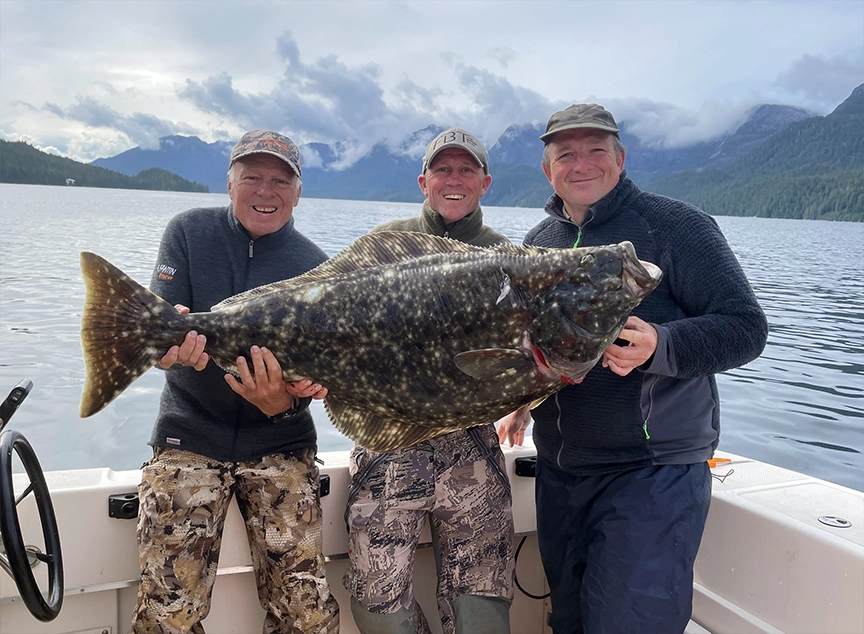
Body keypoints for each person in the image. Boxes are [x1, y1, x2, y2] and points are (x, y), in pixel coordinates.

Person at [497, 104, 768, 634]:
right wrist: (523, 401)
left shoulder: (678, 227)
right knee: (569, 622)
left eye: (596, 150)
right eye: (566, 153)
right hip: (562, 470)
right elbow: (538, 346)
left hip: (652, 474)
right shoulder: (539, 243)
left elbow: (745, 328)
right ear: (547, 168)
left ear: (620, 158)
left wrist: (663, 343)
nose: (582, 164)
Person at [130, 129, 339, 634]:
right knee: (166, 616)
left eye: (280, 180)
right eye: (252, 177)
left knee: (306, 618)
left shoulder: (320, 269)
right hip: (189, 438)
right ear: (228, 183)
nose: (266, 191)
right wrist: (164, 346)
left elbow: (320, 378)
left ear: (298, 192)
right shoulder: (187, 231)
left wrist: (285, 403)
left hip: (283, 444)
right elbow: (158, 337)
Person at [343, 128, 515, 634]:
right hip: (389, 439)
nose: (454, 179)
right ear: (424, 180)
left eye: (467, 170)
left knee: (482, 599)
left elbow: (518, 357)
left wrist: (528, 396)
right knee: (377, 604)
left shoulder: (511, 259)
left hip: (471, 447)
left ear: (485, 182)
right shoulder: (384, 248)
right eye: (444, 169)